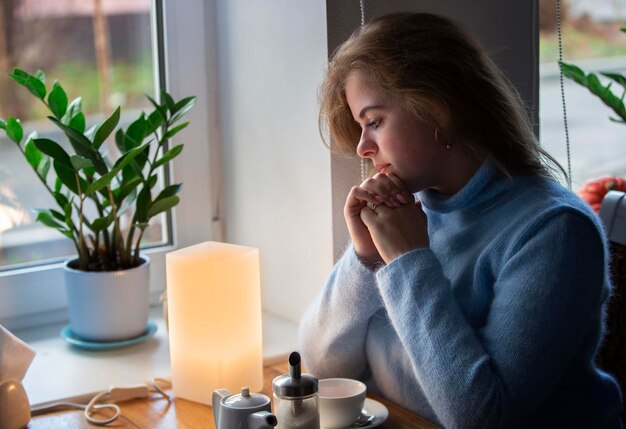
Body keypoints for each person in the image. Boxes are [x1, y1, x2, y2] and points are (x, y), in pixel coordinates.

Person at [298, 12, 623, 429]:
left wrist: (406, 260)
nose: (363, 147)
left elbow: (483, 418)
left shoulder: (556, 232)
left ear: (438, 107)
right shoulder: (403, 213)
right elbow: (319, 370)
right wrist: (366, 260)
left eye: (374, 121)